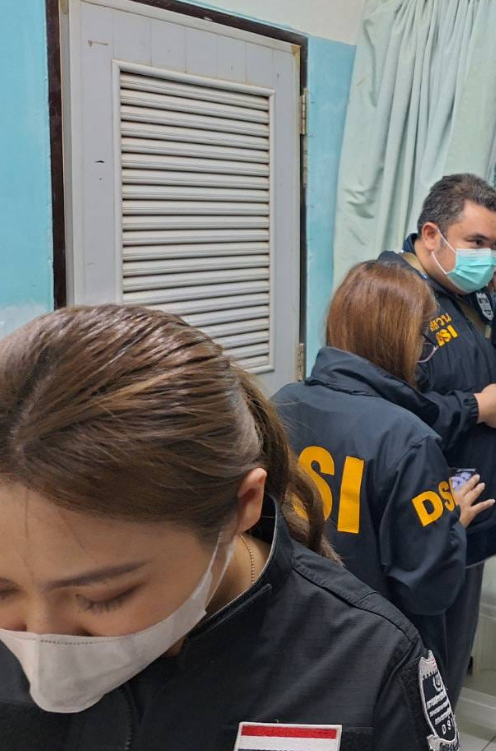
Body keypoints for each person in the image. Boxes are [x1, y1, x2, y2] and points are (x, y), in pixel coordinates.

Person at [0, 305, 460, 750]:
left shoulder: (368, 666)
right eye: (2, 591)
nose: (42, 641)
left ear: (241, 505)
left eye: (103, 596)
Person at [273, 260, 495, 686]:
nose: (424, 352)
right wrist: (452, 524)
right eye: (423, 338)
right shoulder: (408, 438)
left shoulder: (280, 404)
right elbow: (428, 586)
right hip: (381, 653)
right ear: (400, 339)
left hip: (297, 632)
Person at [378, 173, 496, 704]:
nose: (488, 257)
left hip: (472, 511)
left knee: (449, 662)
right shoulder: (394, 296)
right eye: (476, 242)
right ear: (431, 235)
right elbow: (387, 410)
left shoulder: (469, 293)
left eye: (495, 245)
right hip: (428, 515)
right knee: (422, 672)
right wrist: (476, 409)